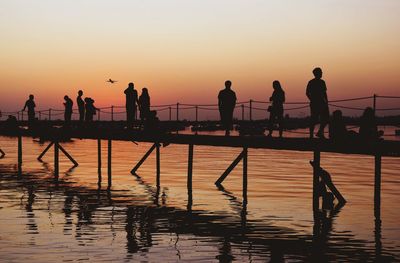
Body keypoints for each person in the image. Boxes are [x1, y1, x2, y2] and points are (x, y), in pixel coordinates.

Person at [306, 67, 329, 139]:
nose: (322, 73)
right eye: (321, 72)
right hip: (317, 103)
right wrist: (312, 99)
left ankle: (319, 132)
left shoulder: (322, 82)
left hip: (321, 103)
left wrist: (326, 101)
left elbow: (324, 93)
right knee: (314, 119)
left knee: (325, 118)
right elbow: (307, 93)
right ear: (317, 74)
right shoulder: (312, 82)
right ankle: (312, 135)